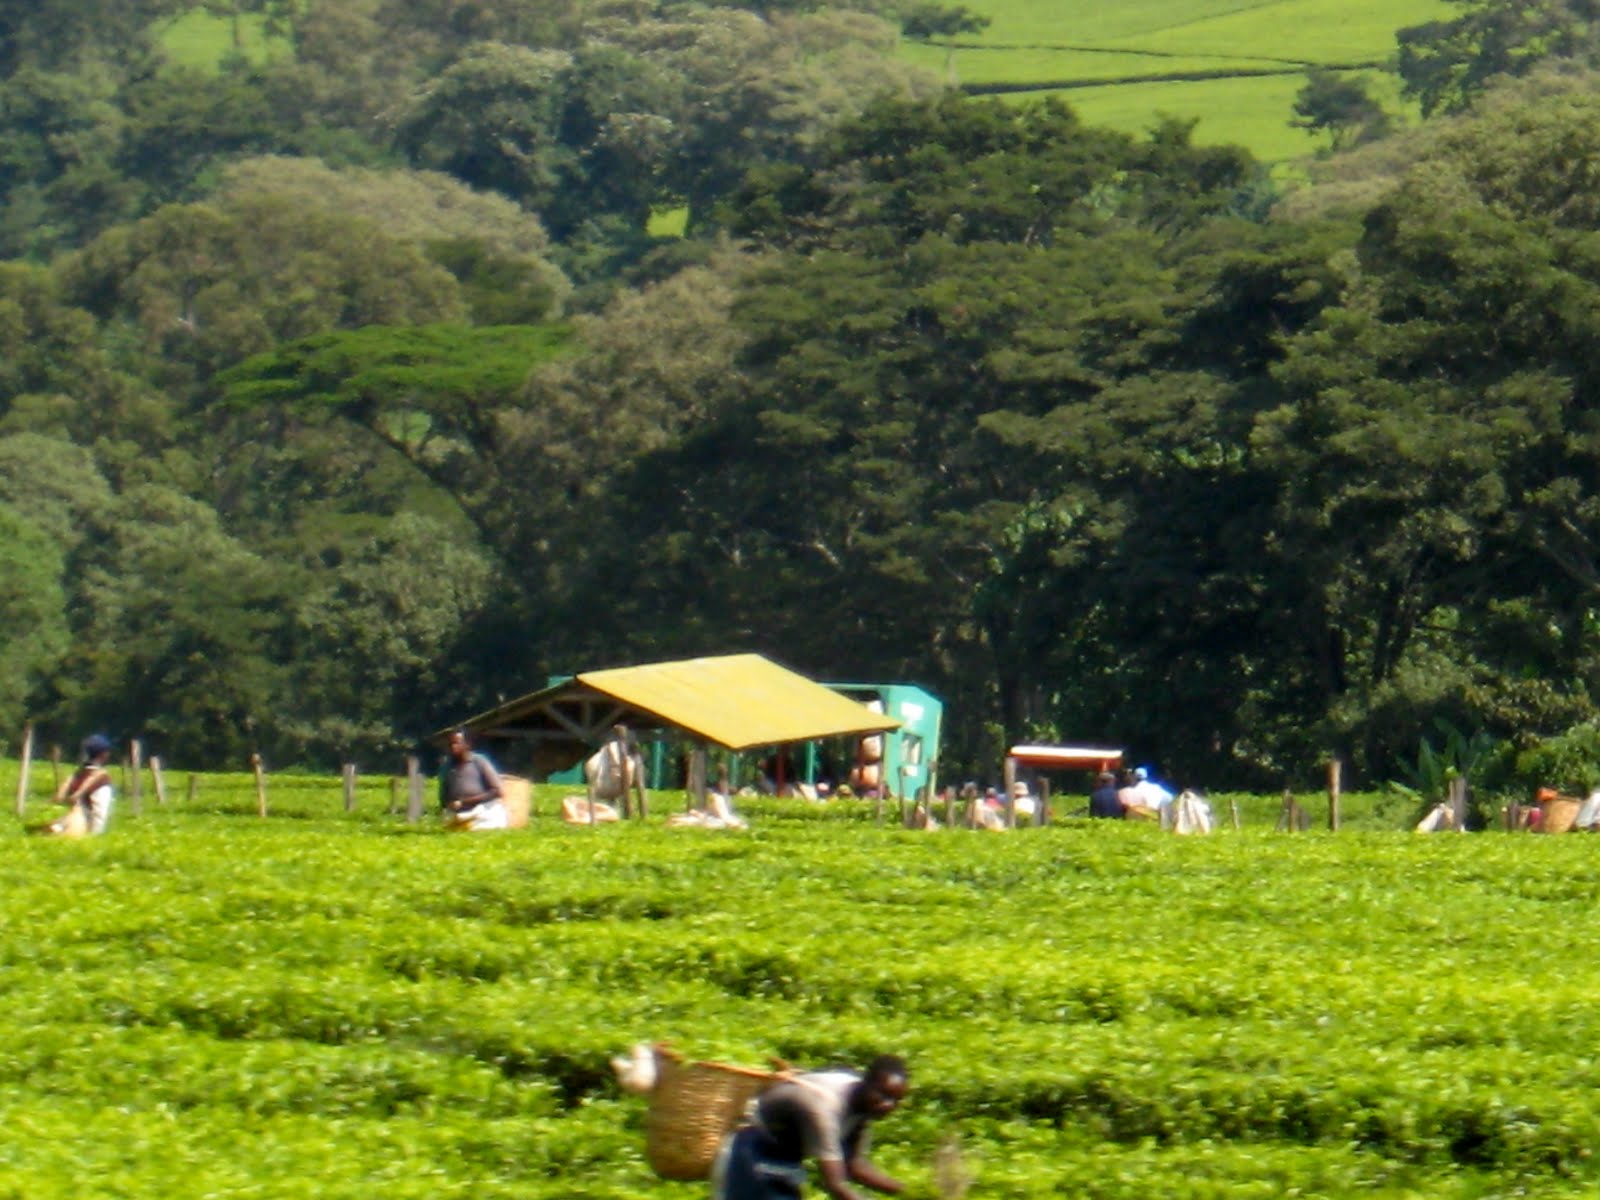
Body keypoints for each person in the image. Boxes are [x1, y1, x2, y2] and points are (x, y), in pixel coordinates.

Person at [712, 1054, 909, 1200]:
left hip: (785, 1161)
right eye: (883, 1095)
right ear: (866, 1082)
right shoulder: (823, 1106)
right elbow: (835, 1184)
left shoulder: (862, 1109)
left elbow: (854, 1166)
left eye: (895, 1100)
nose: (888, 1105)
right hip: (748, 1153)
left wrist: (910, 1191)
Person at [439, 729, 507, 830]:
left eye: (456, 743)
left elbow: (497, 791)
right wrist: (449, 804)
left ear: (467, 744)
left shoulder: (479, 762)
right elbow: (443, 796)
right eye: (450, 744)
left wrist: (464, 802)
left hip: (482, 810)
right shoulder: (447, 766)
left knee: (489, 819)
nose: (453, 747)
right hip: (457, 814)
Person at [50, 734, 116, 836]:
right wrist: (96, 833)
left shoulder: (77, 775)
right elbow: (100, 812)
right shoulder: (102, 779)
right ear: (104, 754)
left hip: (75, 817)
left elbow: (58, 798)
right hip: (86, 826)